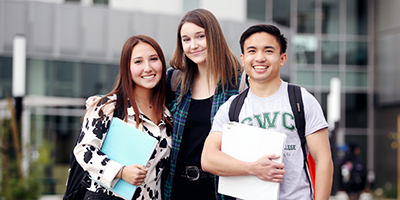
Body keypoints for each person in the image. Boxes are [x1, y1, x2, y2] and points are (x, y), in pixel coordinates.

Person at [201, 24, 334, 200]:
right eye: (252, 51)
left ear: (282, 58)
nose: (260, 58)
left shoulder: (301, 99)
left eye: (268, 51)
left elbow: (324, 159)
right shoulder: (231, 108)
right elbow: (208, 159)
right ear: (243, 58)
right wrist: (253, 168)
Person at [74, 35, 172, 200]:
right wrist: (121, 172)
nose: (148, 68)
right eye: (138, 62)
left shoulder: (168, 115)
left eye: (153, 59)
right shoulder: (109, 106)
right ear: (127, 68)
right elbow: (84, 150)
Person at [162, 9, 243, 200]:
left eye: (200, 36)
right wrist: (104, 101)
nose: (193, 45)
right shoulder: (174, 81)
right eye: (186, 39)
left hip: (221, 189)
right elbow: (139, 99)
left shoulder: (239, 83)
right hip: (177, 187)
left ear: (214, 37)